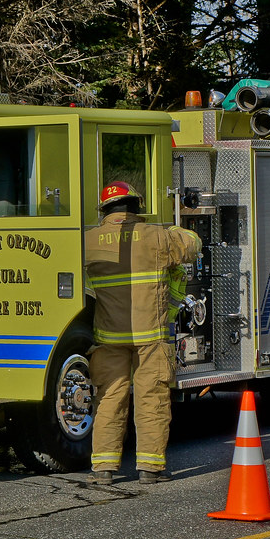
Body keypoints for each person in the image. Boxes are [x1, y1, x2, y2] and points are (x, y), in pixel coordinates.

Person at [84, 181, 202, 485]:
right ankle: (150, 468)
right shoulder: (157, 237)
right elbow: (192, 243)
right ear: (136, 207)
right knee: (152, 399)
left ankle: (104, 469)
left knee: (109, 399)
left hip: (109, 338)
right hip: (151, 337)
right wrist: (178, 228)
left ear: (106, 211)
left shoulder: (88, 241)